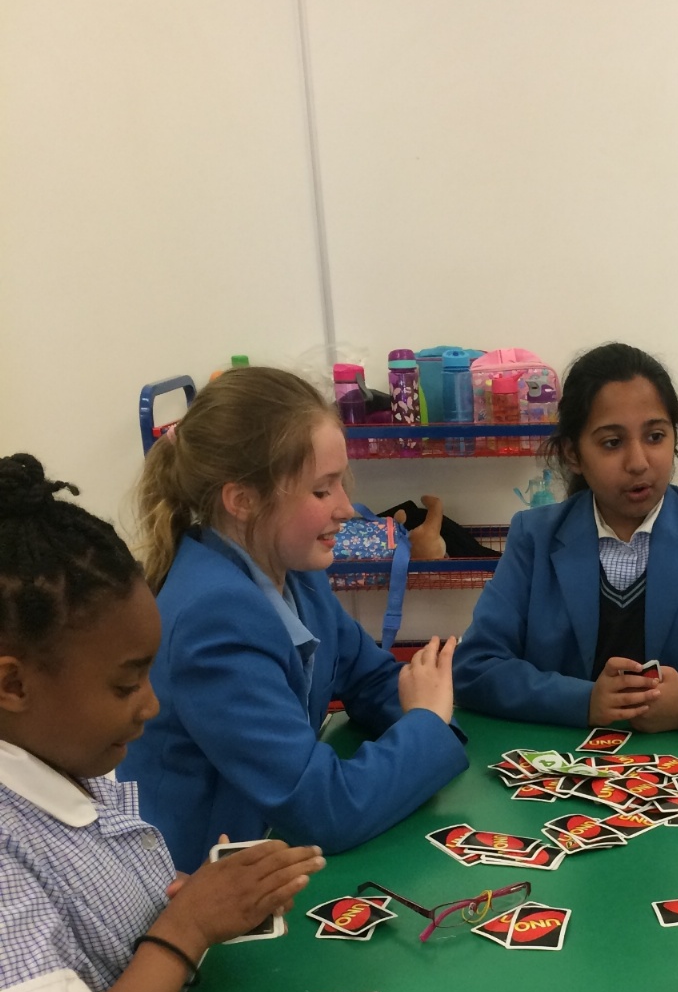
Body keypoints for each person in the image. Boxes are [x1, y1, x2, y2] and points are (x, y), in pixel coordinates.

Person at [0, 455, 323, 992]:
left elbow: (110, 929)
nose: (150, 706)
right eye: (125, 684)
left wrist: (203, 903)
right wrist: (185, 927)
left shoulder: (75, 763)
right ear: (12, 683)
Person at [120, 367, 467, 871]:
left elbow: (370, 678)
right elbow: (324, 809)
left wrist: (427, 718)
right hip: (203, 886)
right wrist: (428, 724)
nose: (347, 508)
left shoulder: (296, 572)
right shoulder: (212, 619)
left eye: (341, 483)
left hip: (270, 853)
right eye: (322, 491)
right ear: (243, 501)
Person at [452, 342, 678, 735]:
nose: (638, 462)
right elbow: (474, 667)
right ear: (573, 454)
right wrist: (583, 701)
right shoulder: (535, 538)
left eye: (655, 436)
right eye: (612, 443)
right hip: (565, 760)